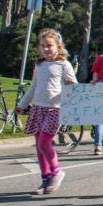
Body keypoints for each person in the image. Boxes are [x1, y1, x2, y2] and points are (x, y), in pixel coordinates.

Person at [16, 29, 77, 194]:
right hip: (38, 107)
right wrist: (22, 104)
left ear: (58, 46)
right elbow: (33, 86)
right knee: (38, 145)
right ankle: (45, 178)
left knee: (44, 143)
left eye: (49, 45)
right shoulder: (40, 65)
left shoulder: (64, 65)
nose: (46, 49)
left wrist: (68, 93)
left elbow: (73, 86)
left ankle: (57, 172)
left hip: (55, 109)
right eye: (42, 46)